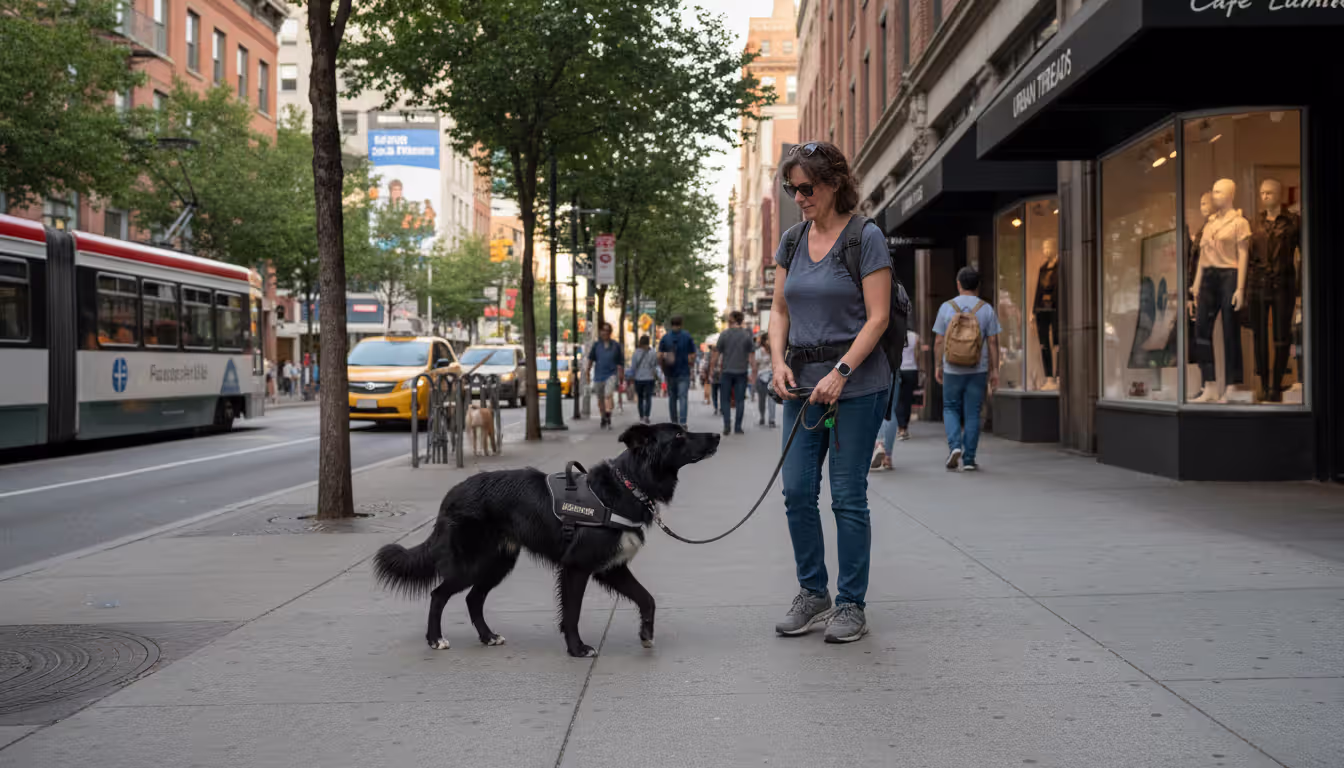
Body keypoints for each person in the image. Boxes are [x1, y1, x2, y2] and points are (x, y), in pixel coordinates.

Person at [769, 140, 891, 644]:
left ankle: (851, 603)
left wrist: (840, 371)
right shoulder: (792, 241)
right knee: (797, 491)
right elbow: (779, 310)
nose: (799, 197)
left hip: (857, 384)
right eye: (791, 188)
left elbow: (879, 316)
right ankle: (812, 592)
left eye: (807, 187)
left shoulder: (865, 237)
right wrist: (776, 360)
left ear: (834, 183)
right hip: (801, 385)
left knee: (847, 497)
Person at [933, 266, 1001, 472]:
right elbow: (993, 343)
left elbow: (938, 341)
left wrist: (938, 364)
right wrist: (994, 370)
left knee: (950, 408)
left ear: (958, 284)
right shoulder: (986, 309)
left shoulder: (946, 307)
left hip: (952, 368)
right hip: (977, 369)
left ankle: (955, 447)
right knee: (973, 413)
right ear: (978, 286)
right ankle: (969, 459)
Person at [871, 329, 922, 471]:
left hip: (875, 367)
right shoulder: (902, 325)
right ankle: (887, 456)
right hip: (895, 367)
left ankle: (879, 443)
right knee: (891, 410)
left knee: (876, 407)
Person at [712, 311, 757, 435]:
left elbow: (716, 354)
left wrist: (712, 368)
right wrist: (754, 371)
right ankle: (738, 427)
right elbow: (752, 356)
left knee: (725, 399)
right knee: (739, 400)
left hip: (726, 371)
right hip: (741, 372)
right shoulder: (746, 336)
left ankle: (727, 425)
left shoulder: (724, 334)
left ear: (732, 319)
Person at [657, 315, 696, 427]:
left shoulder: (665, 338)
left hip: (670, 372)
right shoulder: (687, 336)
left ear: (671, 324)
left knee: (672, 398)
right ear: (681, 324)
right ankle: (683, 422)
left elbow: (659, 355)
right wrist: (690, 363)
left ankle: (674, 422)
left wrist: (663, 367)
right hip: (684, 372)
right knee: (683, 397)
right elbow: (692, 355)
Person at [586, 322, 624, 430]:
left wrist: (621, 375)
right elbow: (591, 359)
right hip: (599, 375)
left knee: (608, 395)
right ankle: (603, 416)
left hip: (611, 374)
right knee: (600, 399)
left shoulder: (615, 346)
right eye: (603, 330)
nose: (605, 332)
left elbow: (620, 362)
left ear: (610, 332)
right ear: (600, 332)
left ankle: (608, 417)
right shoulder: (596, 345)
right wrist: (587, 371)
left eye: (607, 330)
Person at [630, 334, 659, 425]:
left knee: (640, 398)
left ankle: (641, 417)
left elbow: (633, 367)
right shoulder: (653, 352)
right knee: (648, 398)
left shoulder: (636, 353)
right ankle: (647, 416)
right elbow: (655, 365)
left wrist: (632, 376)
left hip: (638, 378)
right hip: (649, 378)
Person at [755, 333, 776, 428]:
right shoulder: (759, 351)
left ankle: (772, 420)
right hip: (761, 377)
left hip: (772, 377)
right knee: (761, 400)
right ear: (764, 340)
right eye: (767, 339)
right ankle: (762, 416)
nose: (769, 341)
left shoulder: (775, 350)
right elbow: (756, 363)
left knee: (772, 399)